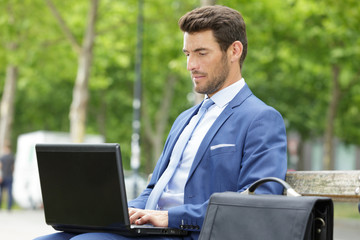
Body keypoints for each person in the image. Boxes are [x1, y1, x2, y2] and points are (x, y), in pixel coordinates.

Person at [34, 5, 287, 240]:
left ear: (234, 51)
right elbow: (154, 190)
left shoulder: (260, 118)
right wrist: (118, 212)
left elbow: (259, 200)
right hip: (150, 231)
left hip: (189, 233)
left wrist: (171, 216)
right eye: (188, 54)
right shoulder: (185, 119)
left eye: (201, 53)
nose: (191, 65)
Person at [0, 143, 15, 211]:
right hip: (9, 176)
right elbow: (13, 168)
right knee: (9, 192)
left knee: (1, 193)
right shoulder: (12, 157)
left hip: (3, 177)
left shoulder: (2, 157)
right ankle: (9, 207)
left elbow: (0, 167)